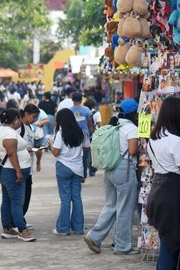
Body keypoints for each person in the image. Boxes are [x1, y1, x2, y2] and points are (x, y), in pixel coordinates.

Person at [84, 98, 140, 255]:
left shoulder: (114, 125)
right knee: (125, 208)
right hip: (125, 168)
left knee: (111, 205)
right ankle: (122, 246)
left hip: (110, 169)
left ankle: (94, 237)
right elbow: (133, 150)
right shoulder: (131, 128)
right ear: (134, 113)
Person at [145, 96, 180, 269]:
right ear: (176, 115)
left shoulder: (154, 138)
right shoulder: (176, 141)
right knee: (171, 245)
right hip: (172, 196)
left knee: (166, 242)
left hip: (157, 192)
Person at [0, 108, 36, 242]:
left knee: (7, 200)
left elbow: (15, 149)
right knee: (17, 202)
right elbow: (12, 153)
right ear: (15, 120)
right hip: (11, 172)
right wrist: (18, 171)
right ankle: (22, 230)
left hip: (7, 171)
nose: (20, 121)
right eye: (19, 118)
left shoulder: (6, 131)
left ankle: (7, 228)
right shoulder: (9, 134)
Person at [51, 108, 90, 235]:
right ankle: (78, 228)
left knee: (65, 198)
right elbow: (87, 147)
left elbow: (56, 152)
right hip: (77, 168)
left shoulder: (60, 133)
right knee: (77, 198)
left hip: (63, 166)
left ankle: (63, 228)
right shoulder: (81, 132)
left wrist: (51, 143)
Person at [19, 104, 41, 229]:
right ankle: (19, 221)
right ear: (26, 114)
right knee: (21, 197)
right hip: (21, 167)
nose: (35, 119)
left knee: (27, 196)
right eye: (33, 116)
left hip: (29, 166)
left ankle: (21, 219)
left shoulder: (30, 127)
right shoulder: (19, 127)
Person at [70, 92, 94, 179]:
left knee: (74, 156)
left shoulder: (69, 111)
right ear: (81, 100)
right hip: (85, 137)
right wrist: (93, 135)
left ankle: (75, 173)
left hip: (73, 137)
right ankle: (83, 175)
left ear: (72, 100)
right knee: (84, 157)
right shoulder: (86, 110)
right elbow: (90, 124)